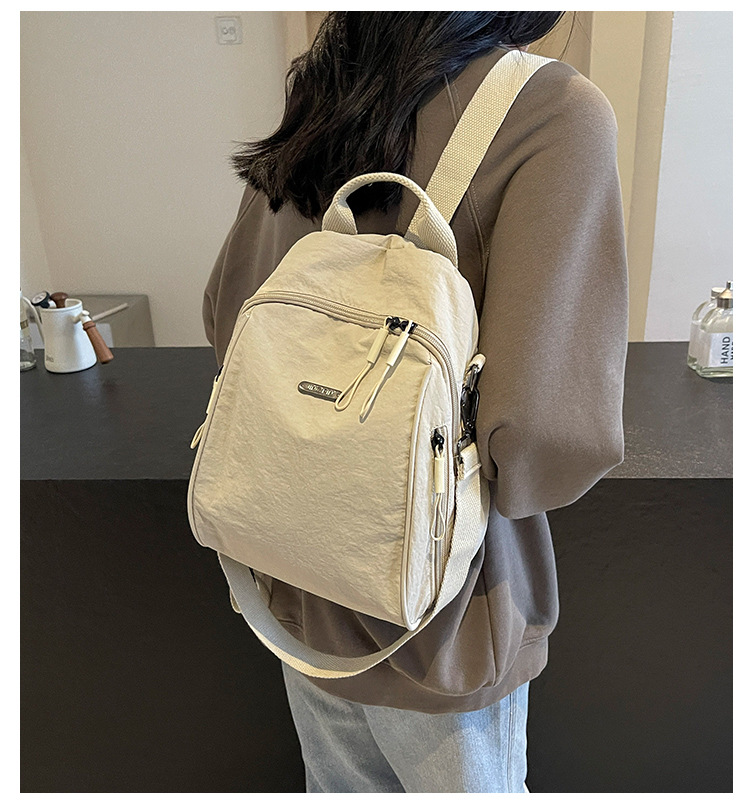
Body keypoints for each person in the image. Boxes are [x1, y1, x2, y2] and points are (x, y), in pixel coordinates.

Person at [202, 11, 628, 793]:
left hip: (296, 576)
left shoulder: (326, 86)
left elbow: (230, 315)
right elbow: (542, 435)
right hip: (445, 612)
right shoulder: (555, 111)